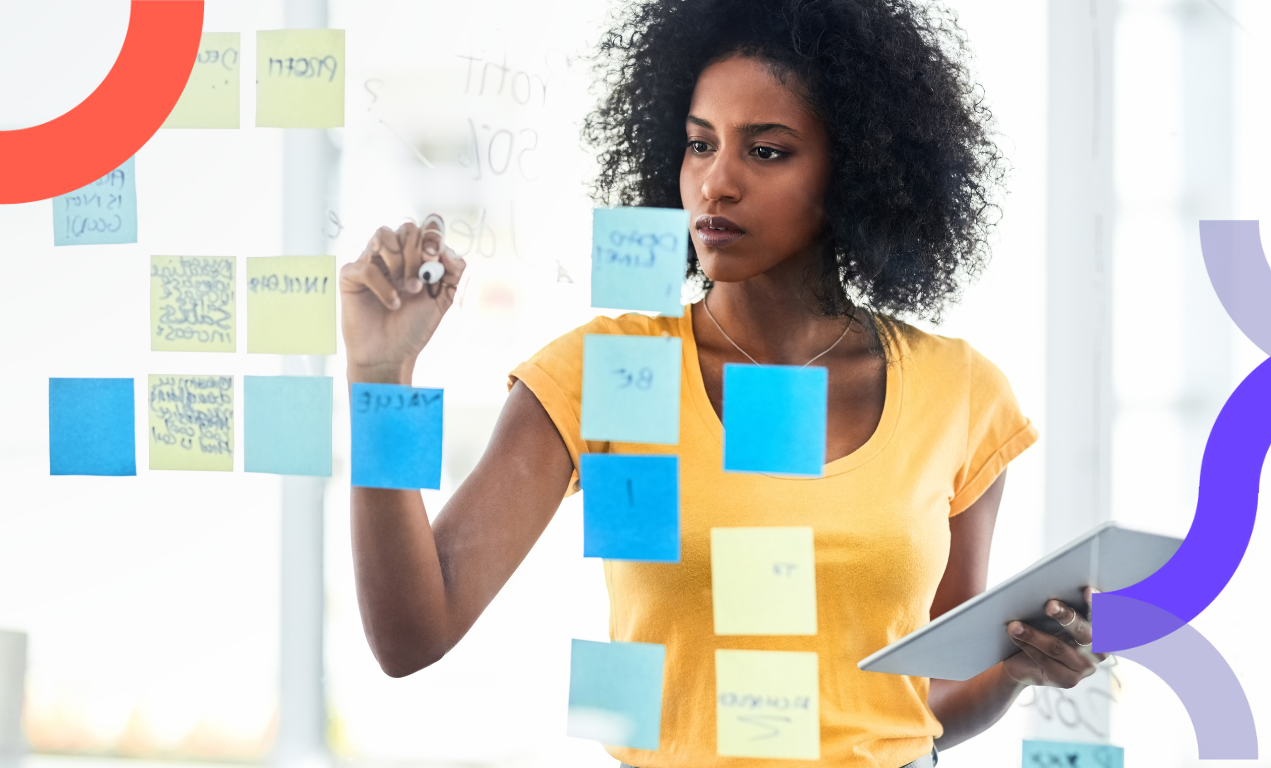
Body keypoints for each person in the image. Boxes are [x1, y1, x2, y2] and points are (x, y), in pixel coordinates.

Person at [340, 0, 1108, 765]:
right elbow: (413, 634)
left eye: (766, 151)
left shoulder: (960, 392)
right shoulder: (605, 371)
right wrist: (382, 376)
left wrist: (1016, 669)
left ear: (856, 171)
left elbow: (922, 701)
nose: (716, 183)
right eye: (700, 145)